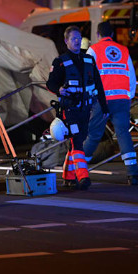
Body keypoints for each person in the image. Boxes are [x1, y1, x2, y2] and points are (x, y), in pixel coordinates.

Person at [46, 25, 108, 190]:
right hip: (70, 109)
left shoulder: (88, 59)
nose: (77, 41)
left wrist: (104, 106)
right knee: (77, 142)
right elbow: (50, 83)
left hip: (86, 109)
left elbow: (98, 85)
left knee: (75, 142)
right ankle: (83, 177)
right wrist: (58, 89)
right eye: (73, 38)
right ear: (66, 41)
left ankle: (69, 176)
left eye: (79, 39)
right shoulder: (60, 62)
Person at [84, 21, 138, 185]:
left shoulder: (93, 50)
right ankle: (133, 173)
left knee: (94, 135)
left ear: (97, 34)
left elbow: (88, 76)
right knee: (123, 134)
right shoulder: (123, 50)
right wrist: (129, 96)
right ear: (113, 34)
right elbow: (131, 76)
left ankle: (78, 169)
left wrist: (89, 96)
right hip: (122, 99)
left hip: (101, 101)